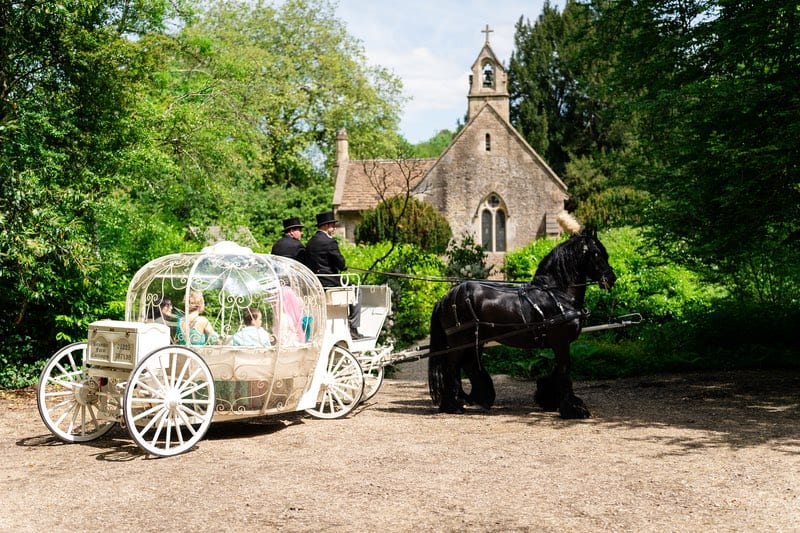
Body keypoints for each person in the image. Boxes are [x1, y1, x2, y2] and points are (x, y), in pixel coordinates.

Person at [305, 211, 364, 339]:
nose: (334, 228)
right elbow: (340, 264)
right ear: (326, 226)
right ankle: (353, 327)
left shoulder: (310, 242)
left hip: (316, 282)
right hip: (330, 281)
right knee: (357, 289)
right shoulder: (329, 242)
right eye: (333, 225)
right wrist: (344, 266)